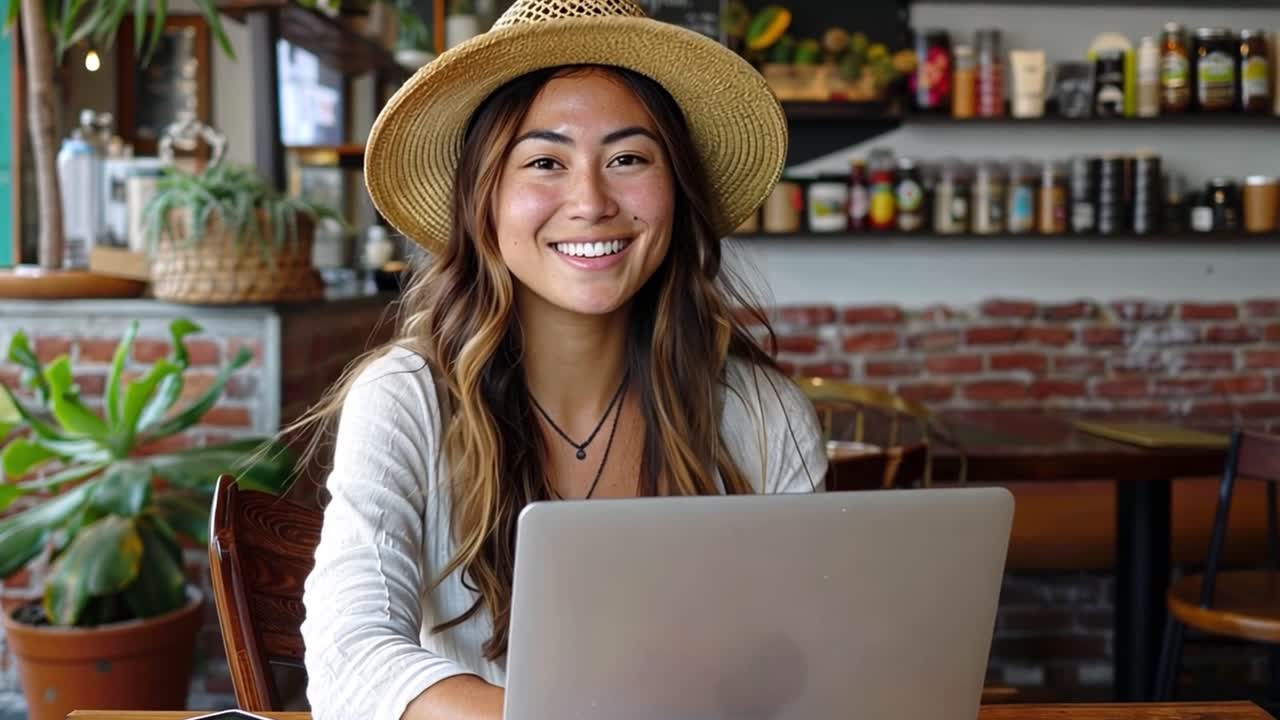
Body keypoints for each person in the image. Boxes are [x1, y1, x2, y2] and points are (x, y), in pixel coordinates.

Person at [295, 0, 827, 717]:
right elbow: (348, 660)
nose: (590, 201)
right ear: (485, 198)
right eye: (545, 161)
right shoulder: (406, 401)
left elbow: (809, 656)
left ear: (677, 194)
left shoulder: (764, 416)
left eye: (629, 159)